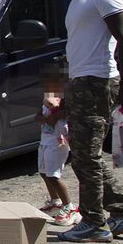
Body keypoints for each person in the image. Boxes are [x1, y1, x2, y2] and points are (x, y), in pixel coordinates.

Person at [56, 0, 123, 243]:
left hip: (98, 81)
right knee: (84, 155)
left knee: (86, 157)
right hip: (82, 82)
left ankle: (95, 222)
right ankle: (122, 214)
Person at [36, 90, 78, 226]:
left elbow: (66, 113)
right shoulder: (46, 100)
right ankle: (55, 202)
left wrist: (54, 115)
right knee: (43, 173)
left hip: (58, 143)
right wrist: (46, 117)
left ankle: (69, 207)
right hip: (45, 142)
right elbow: (37, 117)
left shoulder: (65, 101)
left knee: (54, 176)